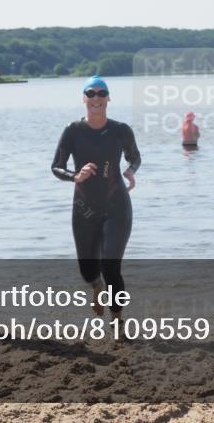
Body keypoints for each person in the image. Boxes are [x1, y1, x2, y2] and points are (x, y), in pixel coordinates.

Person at [51, 76, 142, 323]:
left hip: (117, 206)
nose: (96, 98)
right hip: (84, 208)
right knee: (89, 270)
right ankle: (96, 288)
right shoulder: (73, 131)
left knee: (111, 264)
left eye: (102, 93)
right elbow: (56, 167)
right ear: (84, 98)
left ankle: (118, 320)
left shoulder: (121, 130)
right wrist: (75, 176)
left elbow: (135, 157)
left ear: (108, 98)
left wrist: (131, 171)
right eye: (90, 93)